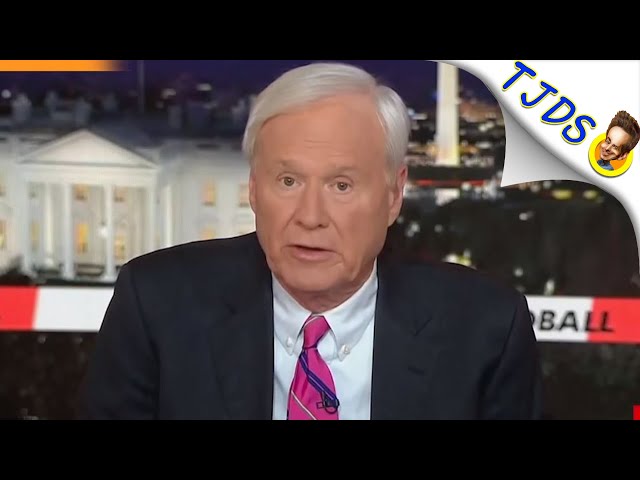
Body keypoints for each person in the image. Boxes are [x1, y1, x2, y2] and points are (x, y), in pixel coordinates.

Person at [78, 62, 543, 420]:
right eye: (288, 181)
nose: (310, 217)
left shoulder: (484, 331)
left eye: (341, 185)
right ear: (253, 188)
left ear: (393, 195)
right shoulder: (157, 306)